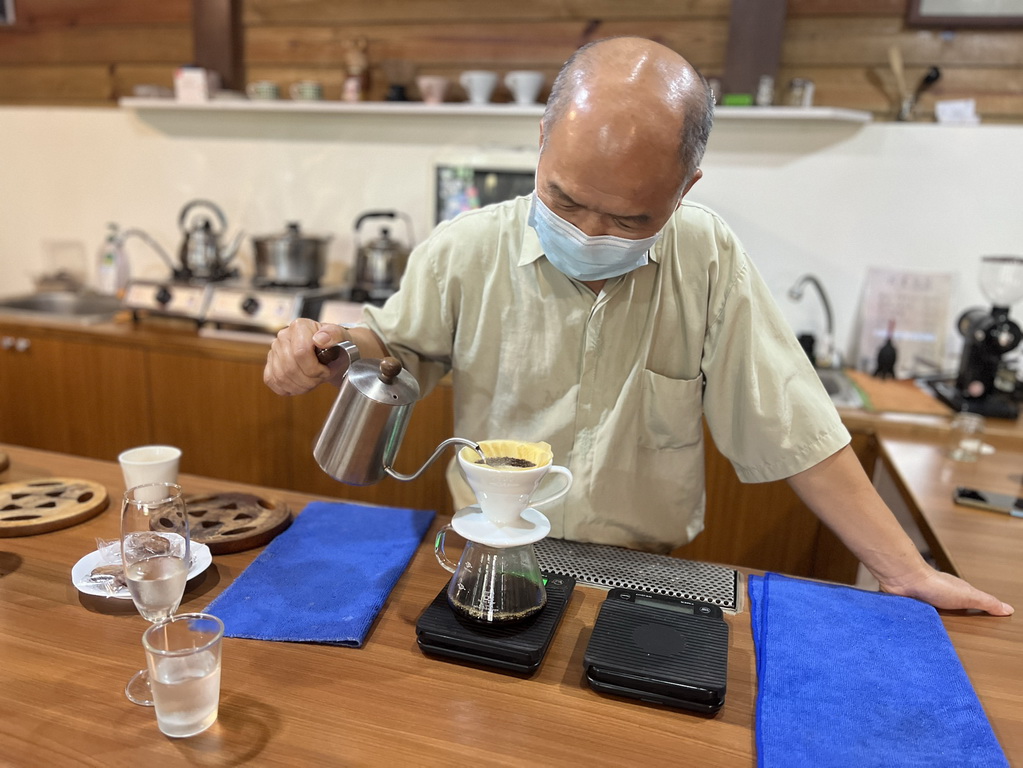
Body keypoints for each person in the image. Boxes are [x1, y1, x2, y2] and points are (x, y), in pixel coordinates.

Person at [264, 37, 1012, 617]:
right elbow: (396, 350)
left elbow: (792, 423)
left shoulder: (708, 255)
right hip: (484, 547)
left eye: (630, 218)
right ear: (540, 143)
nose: (590, 234)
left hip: (645, 567)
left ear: (685, 187)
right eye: (562, 200)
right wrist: (324, 348)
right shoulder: (466, 247)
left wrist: (902, 571)